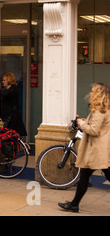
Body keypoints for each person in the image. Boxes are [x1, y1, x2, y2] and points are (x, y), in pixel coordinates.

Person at [58, 82, 110, 213]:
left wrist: (82, 124)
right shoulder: (104, 108)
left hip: (96, 150)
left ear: (98, 94)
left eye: (93, 91)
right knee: (84, 176)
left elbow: (94, 131)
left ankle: (74, 205)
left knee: (87, 176)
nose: (91, 93)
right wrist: (86, 122)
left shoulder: (99, 110)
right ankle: (74, 204)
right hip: (97, 149)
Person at [0, 72, 27, 137]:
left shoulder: (13, 89)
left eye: (4, 80)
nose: (2, 82)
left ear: (9, 80)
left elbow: (7, 95)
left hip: (10, 117)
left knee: (9, 134)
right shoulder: (9, 89)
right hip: (9, 116)